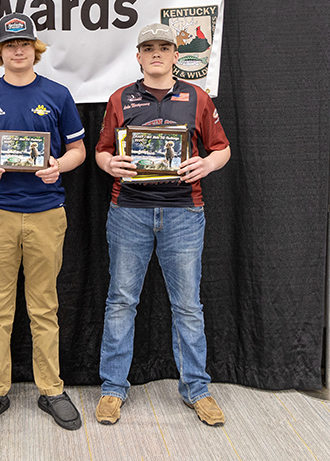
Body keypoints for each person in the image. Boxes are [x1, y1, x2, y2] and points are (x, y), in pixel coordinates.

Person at [94, 23, 231, 427]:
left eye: (164, 48)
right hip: (129, 211)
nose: (156, 54)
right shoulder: (120, 98)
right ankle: (112, 389)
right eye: (148, 48)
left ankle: (197, 389)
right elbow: (102, 151)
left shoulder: (197, 97)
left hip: (183, 213)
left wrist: (206, 163)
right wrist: (109, 164)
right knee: (121, 302)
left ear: (176, 55)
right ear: (138, 56)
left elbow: (222, 148)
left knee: (188, 305)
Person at [0, 13, 86, 432]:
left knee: (44, 307)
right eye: (11, 44)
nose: (18, 50)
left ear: (35, 49)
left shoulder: (57, 94)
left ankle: (51, 390)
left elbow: (78, 150)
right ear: (0, 51)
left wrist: (58, 166)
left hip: (47, 213)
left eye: (25, 44)